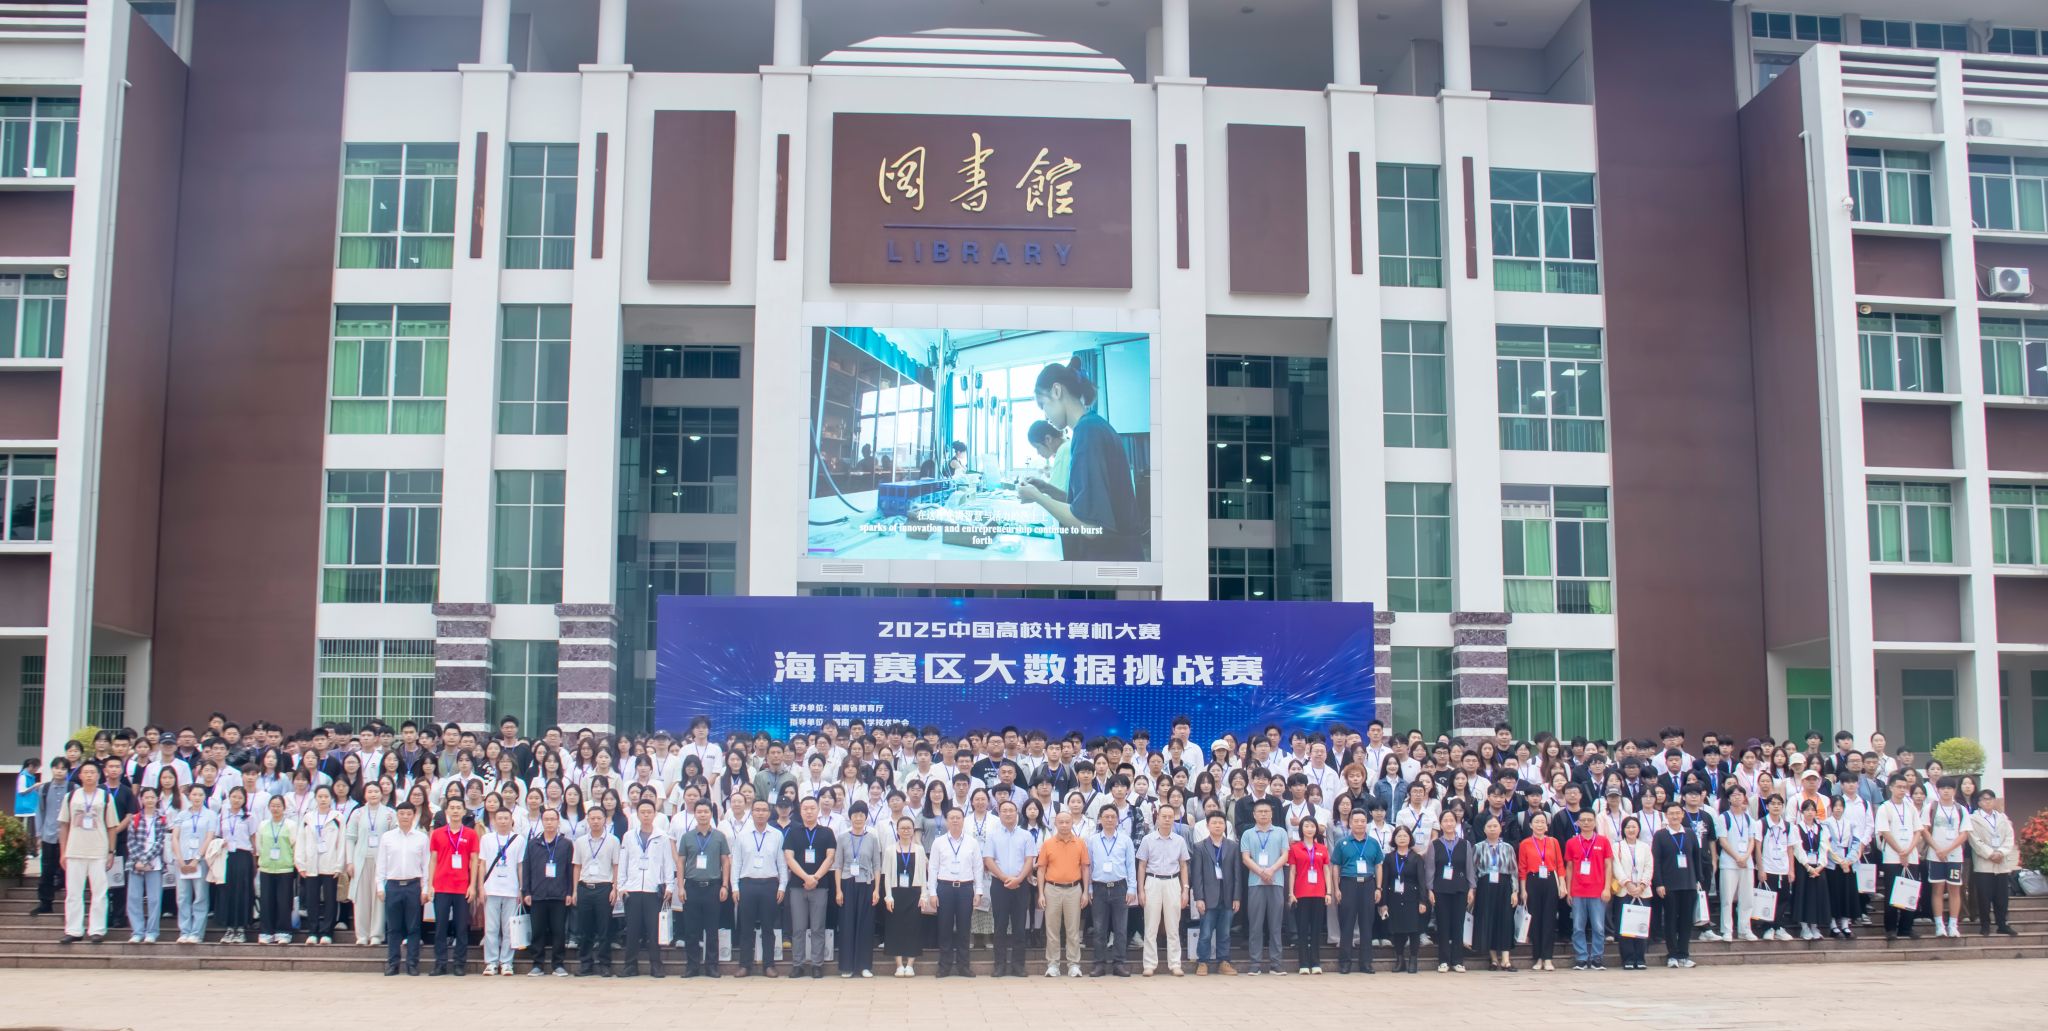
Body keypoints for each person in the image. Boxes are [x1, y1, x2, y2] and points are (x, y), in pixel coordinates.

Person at [1016, 359, 1143, 561]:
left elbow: (1090, 526)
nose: (1045, 415)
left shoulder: (1087, 432)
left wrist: (1037, 497)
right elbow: (1088, 504)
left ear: (1056, 391)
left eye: (1043, 405)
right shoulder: (1093, 425)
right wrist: (1047, 489)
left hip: (1110, 559)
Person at [56, 759, 117, 944]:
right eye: (86, 772)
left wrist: (111, 851)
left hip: (98, 850)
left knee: (99, 892)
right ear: (80, 776)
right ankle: (73, 930)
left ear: (99, 776)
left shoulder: (105, 797)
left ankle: (97, 929)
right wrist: (63, 851)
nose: (89, 775)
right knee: (73, 893)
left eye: (93, 772)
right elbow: (64, 825)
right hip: (75, 850)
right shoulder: (71, 797)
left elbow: (112, 826)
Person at [615, 798, 673, 977]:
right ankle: (630, 965)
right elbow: (623, 862)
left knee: (653, 930)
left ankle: (656, 965)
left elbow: (667, 862)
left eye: (649, 812)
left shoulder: (662, 837)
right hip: (632, 889)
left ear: (655, 814)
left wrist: (669, 885)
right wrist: (621, 886)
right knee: (632, 929)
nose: (646, 815)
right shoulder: (628, 836)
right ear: (637, 815)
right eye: (643, 812)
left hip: (653, 889)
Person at [782, 796, 837, 979]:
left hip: (820, 886)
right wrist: (806, 877)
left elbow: (830, 857)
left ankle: (817, 964)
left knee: (817, 927)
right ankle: (797, 964)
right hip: (797, 886)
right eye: (805, 808)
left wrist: (816, 878)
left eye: (812, 808)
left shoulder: (827, 832)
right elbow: (789, 858)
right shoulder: (793, 832)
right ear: (800, 810)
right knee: (798, 928)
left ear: (818, 810)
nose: (809, 811)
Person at [730, 799, 786, 977]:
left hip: (769, 884)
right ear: (751, 813)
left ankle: (769, 965)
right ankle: (745, 965)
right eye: (757, 810)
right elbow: (736, 863)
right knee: (746, 928)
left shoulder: (777, 835)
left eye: (764, 810)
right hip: (747, 884)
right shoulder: (742, 835)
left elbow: (782, 863)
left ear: (769, 813)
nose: (760, 813)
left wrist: (782, 886)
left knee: (768, 928)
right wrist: (734, 887)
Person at [674, 800, 729, 977]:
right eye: (699, 811)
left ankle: (712, 966)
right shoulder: (687, 837)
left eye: (706, 811)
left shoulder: (719, 836)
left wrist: (725, 885)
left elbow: (725, 862)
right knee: (691, 930)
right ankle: (692, 966)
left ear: (711, 814)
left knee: (712, 930)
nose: (703, 814)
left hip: (712, 887)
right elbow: (681, 862)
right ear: (695, 814)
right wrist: (680, 887)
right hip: (692, 886)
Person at [984, 798, 1038, 977]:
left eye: (1011, 810)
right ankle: (999, 965)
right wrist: (1004, 877)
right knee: (999, 926)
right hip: (999, 885)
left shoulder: (1026, 835)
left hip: (1021, 885)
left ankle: (1018, 966)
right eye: (1004, 811)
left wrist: (1019, 879)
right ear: (999, 814)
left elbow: (1030, 860)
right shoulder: (992, 835)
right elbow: (988, 859)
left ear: (1017, 814)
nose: (1008, 813)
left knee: (1019, 926)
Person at [926, 805, 982, 977]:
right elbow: (933, 868)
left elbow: (978, 867)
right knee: (945, 928)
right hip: (945, 888)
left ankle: (964, 966)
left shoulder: (972, 842)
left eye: (958, 817)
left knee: (964, 929)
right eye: (952, 818)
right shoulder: (939, 842)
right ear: (946, 821)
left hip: (965, 888)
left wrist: (978, 891)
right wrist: (932, 892)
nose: (955, 820)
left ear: (963, 820)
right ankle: (944, 966)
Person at [1135, 804, 1190, 976]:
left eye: (1170, 817)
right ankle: (1149, 964)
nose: (1167, 819)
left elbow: (1183, 865)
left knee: (1173, 926)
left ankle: (1175, 964)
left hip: (1173, 882)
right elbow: (1142, 866)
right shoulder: (1148, 839)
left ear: (1174, 819)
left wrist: (1185, 889)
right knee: (1151, 925)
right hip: (1152, 881)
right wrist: (1141, 890)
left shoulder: (1179, 840)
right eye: (1163, 816)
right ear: (1157, 818)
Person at [427, 797, 479, 975]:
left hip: (462, 887)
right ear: (447, 811)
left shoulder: (471, 834)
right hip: (441, 886)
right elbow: (433, 860)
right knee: (440, 927)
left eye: (459, 808)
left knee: (461, 928)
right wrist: (430, 884)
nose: (455, 811)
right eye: (452, 808)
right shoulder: (437, 833)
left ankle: (459, 963)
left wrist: (472, 885)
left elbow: (474, 860)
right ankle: (440, 963)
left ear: (464, 811)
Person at [377, 802, 429, 976]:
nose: (405, 816)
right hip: (393, 885)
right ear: (397, 815)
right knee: (393, 928)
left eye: (408, 813)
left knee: (414, 927)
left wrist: (425, 888)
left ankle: (412, 963)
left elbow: (426, 865)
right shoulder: (387, 837)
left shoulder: (421, 838)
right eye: (402, 813)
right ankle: (393, 963)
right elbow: (381, 863)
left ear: (413, 815)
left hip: (413, 885)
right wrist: (379, 885)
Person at [1083, 804, 1134, 977]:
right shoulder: (1092, 840)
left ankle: (1119, 963)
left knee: (1120, 929)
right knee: (1099, 929)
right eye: (1106, 817)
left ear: (1118, 820)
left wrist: (1132, 888)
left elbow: (1130, 866)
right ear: (1100, 819)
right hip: (1099, 888)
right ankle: (1099, 964)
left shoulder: (1125, 840)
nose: (1110, 820)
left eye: (1113, 817)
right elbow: (1089, 866)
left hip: (1120, 887)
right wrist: (1089, 887)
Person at [834, 800, 883, 978]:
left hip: (867, 884)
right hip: (847, 883)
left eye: (861, 815)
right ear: (850, 817)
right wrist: (838, 890)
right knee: (847, 924)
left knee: (865, 925)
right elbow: (838, 865)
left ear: (866, 818)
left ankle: (864, 966)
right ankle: (847, 966)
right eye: (855, 815)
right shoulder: (842, 838)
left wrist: (876, 890)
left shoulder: (872, 838)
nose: (858, 818)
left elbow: (876, 866)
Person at [1189, 809, 1240, 975]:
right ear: (1207, 825)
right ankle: (1202, 962)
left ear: (1225, 825)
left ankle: (1224, 962)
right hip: (1208, 897)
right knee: (1205, 932)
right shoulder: (1200, 847)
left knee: (1225, 933)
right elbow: (1197, 875)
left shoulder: (1233, 846)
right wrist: (1199, 898)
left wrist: (1237, 897)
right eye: (1214, 823)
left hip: (1227, 896)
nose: (1218, 825)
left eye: (1220, 823)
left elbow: (1237, 874)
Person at [1240, 798, 1288, 974]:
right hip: (1255, 883)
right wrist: (1261, 872)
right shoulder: (1248, 834)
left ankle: (1276, 964)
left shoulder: (1281, 832)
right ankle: (1255, 964)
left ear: (1272, 814)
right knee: (1255, 925)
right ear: (1254, 814)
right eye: (1260, 812)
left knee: (1275, 925)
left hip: (1276, 881)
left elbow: (1285, 855)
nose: (1263, 814)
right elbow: (1245, 858)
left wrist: (1272, 870)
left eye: (1266, 811)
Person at [1652, 802, 1702, 968]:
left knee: (1686, 921)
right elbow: (1656, 861)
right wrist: (1659, 883)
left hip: (1688, 883)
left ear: (1682, 815)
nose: (1674, 816)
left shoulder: (1690, 833)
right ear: (1666, 816)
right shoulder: (1660, 835)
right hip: (1669, 885)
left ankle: (1684, 954)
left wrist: (1698, 879)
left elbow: (1696, 857)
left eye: (1677, 813)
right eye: (1671, 813)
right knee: (1671, 920)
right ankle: (1672, 954)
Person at [345, 781, 395, 947]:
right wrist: (349, 861)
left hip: (382, 862)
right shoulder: (357, 813)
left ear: (381, 794)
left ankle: (376, 935)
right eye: (370, 791)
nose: (373, 794)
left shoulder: (389, 813)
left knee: (379, 898)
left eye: (376, 791)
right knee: (361, 898)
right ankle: (362, 934)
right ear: (365, 794)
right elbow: (350, 838)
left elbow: (394, 838)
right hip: (361, 860)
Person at [478, 806, 525, 975]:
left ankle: (506, 962)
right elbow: (482, 864)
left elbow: (520, 865)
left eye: (506, 818)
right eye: (500, 818)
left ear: (511, 820)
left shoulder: (519, 839)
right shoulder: (487, 839)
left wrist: (521, 888)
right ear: (494, 821)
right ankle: (491, 962)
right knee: (491, 928)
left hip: (511, 889)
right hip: (491, 888)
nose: (503, 821)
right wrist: (480, 887)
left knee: (509, 929)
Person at [1875, 774, 1923, 940]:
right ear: (1891, 788)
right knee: (1892, 893)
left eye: (1904, 787)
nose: (1902, 790)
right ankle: (1890, 928)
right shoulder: (1885, 808)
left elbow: (1918, 831)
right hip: (1892, 857)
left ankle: (1906, 927)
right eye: (1899, 787)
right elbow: (1885, 832)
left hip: (1911, 856)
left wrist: (1908, 851)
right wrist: (1901, 852)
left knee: (1910, 891)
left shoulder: (1910, 808)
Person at [1563, 808, 1612, 970]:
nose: (1586, 823)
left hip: (1598, 891)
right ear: (1577, 823)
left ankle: (1597, 958)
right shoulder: (1571, 842)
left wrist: (1607, 888)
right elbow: (1569, 867)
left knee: (1598, 927)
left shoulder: (1603, 841)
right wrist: (1569, 890)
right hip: (1578, 891)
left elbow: (1608, 865)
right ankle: (1581, 958)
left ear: (1595, 822)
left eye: (1589, 820)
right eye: (1583, 820)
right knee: (1578, 927)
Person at [572, 806, 618, 976]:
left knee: (604, 929)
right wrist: (575, 890)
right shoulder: (580, 841)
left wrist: (615, 887)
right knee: (585, 929)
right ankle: (586, 964)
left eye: (599, 818)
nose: (596, 821)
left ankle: (604, 964)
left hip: (604, 887)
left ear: (605, 820)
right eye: (592, 818)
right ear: (587, 820)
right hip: (585, 887)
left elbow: (616, 866)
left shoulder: (613, 840)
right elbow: (577, 866)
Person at [296, 785, 345, 944]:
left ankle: (327, 933)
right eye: (320, 796)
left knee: (330, 900)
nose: (323, 799)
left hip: (330, 863)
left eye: (326, 796)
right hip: (311, 864)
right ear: (315, 798)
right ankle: (312, 931)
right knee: (312, 899)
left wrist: (339, 865)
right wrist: (300, 864)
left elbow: (342, 842)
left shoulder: (337, 817)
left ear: (331, 798)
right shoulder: (308, 817)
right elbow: (301, 841)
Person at [1924, 777, 1970, 938]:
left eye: (1949, 788)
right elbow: (1924, 830)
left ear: (1954, 790)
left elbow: (1964, 834)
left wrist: (1948, 850)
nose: (1946, 791)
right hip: (1935, 855)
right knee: (1937, 889)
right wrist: (1938, 849)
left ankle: (1953, 925)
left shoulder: (1961, 809)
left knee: (1954, 890)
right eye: (1943, 788)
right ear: (1937, 790)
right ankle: (1939, 925)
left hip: (1955, 856)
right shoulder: (1931, 807)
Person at [170, 783, 217, 944]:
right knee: (182, 896)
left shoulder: (210, 815)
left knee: (200, 896)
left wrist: (197, 858)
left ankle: (197, 932)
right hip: (182, 860)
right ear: (189, 796)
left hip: (200, 861)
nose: (197, 798)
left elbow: (209, 837)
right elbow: (175, 837)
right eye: (194, 794)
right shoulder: (182, 815)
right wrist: (180, 859)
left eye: (200, 795)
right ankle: (185, 931)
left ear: (205, 797)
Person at [1516, 810, 1563, 970]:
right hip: (1532, 881)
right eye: (1536, 822)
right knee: (1535, 920)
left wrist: (1562, 884)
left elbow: (1560, 865)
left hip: (1550, 881)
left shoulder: (1553, 842)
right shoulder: (1525, 844)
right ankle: (1538, 958)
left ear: (1547, 825)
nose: (1540, 825)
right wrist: (1523, 890)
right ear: (1530, 825)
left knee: (1549, 919)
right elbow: (1522, 868)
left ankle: (1548, 957)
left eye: (1543, 822)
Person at [1968, 789, 2018, 937]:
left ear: (1994, 801)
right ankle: (1985, 925)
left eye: (1990, 799)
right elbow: (1975, 841)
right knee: (1984, 897)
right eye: (1984, 799)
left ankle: (2002, 924)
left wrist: (2001, 852)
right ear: (1979, 803)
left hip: (2001, 863)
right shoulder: (1973, 819)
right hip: (1984, 864)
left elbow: (2010, 837)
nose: (1987, 801)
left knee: (2002, 897)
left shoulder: (2003, 817)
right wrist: (1990, 854)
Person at [123, 786, 170, 944]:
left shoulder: (162, 819)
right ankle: (137, 931)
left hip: (154, 864)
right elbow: (131, 842)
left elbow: (160, 842)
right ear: (141, 800)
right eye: (146, 797)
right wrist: (140, 861)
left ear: (157, 799)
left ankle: (152, 932)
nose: (149, 800)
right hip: (135, 864)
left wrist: (146, 860)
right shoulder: (135, 818)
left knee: (154, 899)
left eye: (152, 797)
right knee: (134, 898)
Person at [1378, 825, 1427, 974]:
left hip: (1412, 898)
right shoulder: (1389, 858)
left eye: (1405, 836)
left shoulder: (1416, 857)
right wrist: (1383, 903)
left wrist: (1423, 901)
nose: (1402, 838)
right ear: (1394, 839)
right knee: (1397, 930)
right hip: (1394, 898)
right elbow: (1385, 881)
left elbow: (1422, 881)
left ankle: (1413, 959)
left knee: (1413, 930)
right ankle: (1400, 960)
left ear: (1410, 838)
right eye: (1399, 836)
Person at [1425, 809, 1469, 972]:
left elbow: (1469, 868)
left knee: (1458, 924)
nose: (1449, 823)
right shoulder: (1435, 844)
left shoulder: (1464, 844)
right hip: (1440, 889)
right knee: (1443, 924)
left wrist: (1472, 888)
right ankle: (1443, 960)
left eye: (1452, 820)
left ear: (1456, 823)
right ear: (1441, 824)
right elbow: (1430, 869)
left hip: (1460, 888)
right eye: (1445, 821)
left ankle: (1457, 960)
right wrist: (1430, 889)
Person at [885, 814, 929, 976]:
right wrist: (888, 896)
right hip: (896, 894)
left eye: (908, 828)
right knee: (895, 928)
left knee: (913, 928)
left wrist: (924, 895)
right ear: (897, 830)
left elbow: (923, 875)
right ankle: (898, 965)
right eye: (902, 828)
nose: (905, 831)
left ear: (913, 831)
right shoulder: (890, 850)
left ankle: (910, 964)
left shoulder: (919, 849)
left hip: (914, 893)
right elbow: (887, 876)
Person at [1714, 784, 1758, 942]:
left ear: (1744, 797)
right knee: (1727, 898)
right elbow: (1723, 841)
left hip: (1746, 863)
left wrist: (1745, 857)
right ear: (1729, 798)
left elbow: (1752, 840)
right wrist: (1737, 857)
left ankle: (1745, 929)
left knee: (1747, 898)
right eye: (1734, 795)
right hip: (1729, 863)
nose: (1737, 797)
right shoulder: (1723, 818)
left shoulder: (1749, 819)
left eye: (1740, 794)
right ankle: (1727, 930)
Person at [1287, 814, 1329, 975]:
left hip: (1319, 892)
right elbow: (1292, 871)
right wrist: (1291, 893)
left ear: (1316, 829)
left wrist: (1329, 892)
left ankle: (1316, 962)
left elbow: (1326, 871)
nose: (1309, 829)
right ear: (1301, 829)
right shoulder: (1295, 848)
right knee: (1303, 929)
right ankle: (1303, 963)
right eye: (1306, 826)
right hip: (1301, 893)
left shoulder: (1322, 848)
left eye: (1312, 826)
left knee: (1316, 929)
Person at [1612, 816, 1654, 970]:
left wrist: (1641, 885)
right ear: (1623, 829)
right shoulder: (1617, 846)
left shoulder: (1645, 847)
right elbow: (1616, 867)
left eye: (1634, 827)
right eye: (1628, 827)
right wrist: (1628, 884)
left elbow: (1649, 867)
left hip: (1642, 892)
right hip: (1625, 891)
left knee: (1641, 925)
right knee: (1626, 927)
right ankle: (1628, 958)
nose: (1631, 830)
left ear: (1639, 829)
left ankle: (1640, 958)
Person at [255, 793, 297, 945]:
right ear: (268, 807)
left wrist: (294, 863)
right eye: (273, 806)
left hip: (285, 869)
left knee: (284, 901)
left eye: (278, 806)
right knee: (266, 901)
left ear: (284, 808)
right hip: (266, 868)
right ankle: (266, 931)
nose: (275, 809)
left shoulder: (291, 825)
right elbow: (259, 845)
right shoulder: (263, 825)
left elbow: (295, 845)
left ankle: (284, 932)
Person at [1790, 798, 1832, 940]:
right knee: (1803, 895)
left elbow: (1824, 847)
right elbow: (1798, 849)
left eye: (1812, 810)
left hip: (1818, 867)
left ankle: (1814, 926)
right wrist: (1807, 866)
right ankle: (1804, 928)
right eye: (1807, 810)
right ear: (1802, 812)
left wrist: (1820, 866)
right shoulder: (1796, 828)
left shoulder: (1821, 829)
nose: (1810, 812)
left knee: (1817, 896)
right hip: (1803, 867)